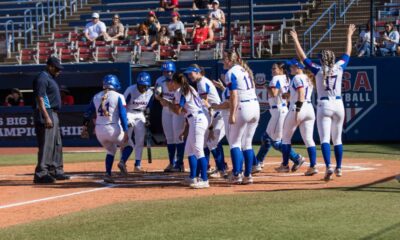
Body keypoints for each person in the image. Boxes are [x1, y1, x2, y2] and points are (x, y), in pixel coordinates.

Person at [290, 24, 356, 181]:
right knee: (338, 139)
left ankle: (328, 168)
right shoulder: (339, 67)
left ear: (322, 59)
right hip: (339, 104)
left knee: (325, 139)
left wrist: (296, 40)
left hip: (324, 105)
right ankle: (339, 168)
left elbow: (303, 58)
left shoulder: (318, 70)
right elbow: (347, 53)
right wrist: (348, 35)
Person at [159, 73, 210, 189]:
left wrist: (166, 103)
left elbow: (178, 111)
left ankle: (205, 179)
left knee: (197, 150)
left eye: (171, 82)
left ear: (175, 82)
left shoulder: (180, 91)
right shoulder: (188, 88)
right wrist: (185, 129)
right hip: (196, 119)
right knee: (189, 149)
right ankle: (193, 177)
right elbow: (186, 110)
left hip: (197, 120)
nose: (169, 84)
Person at [255, 62, 305, 173]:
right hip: (281, 110)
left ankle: (296, 158)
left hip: (278, 111)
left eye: (275, 69)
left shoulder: (276, 78)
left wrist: (266, 86)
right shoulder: (286, 79)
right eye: (272, 69)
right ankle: (258, 162)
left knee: (276, 142)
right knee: (266, 138)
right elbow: (286, 94)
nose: (272, 71)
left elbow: (273, 93)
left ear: (281, 70)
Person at [82, 74, 129, 183]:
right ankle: (122, 162)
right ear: (115, 84)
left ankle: (108, 173)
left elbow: (87, 113)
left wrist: (84, 126)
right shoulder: (119, 96)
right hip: (113, 128)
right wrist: (126, 130)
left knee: (111, 150)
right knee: (130, 145)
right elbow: (123, 115)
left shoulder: (96, 96)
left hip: (99, 130)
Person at [223, 49, 260, 184]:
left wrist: (232, 114)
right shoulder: (245, 71)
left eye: (224, 58)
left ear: (229, 60)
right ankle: (248, 175)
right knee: (247, 143)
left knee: (235, 143)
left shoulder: (230, 72)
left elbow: (234, 95)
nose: (223, 61)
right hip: (255, 106)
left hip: (243, 107)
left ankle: (237, 174)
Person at [274, 59, 317, 176]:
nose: (290, 69)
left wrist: (298, 109)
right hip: (309, 109)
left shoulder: (297, 78)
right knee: (309, 139)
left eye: (292, 67)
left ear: (298, 67)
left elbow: (301, 94)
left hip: (298, 107)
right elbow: (299, 93)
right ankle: (313, 166)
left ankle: (284, 165)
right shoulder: (308, 78)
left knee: (285, 138)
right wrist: (288, 95)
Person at [184, 64, 227, 178]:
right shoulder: (200, 82)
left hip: (217, 116)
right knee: (204, 143)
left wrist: (211, 126)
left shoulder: (202, 83)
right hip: (213, 115)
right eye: (188, 74)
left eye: (191, 73)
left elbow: (206, 105)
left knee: (212, 143)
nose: (189, 76)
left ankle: (222, 169)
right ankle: (207, 167)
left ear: (198, 72)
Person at [32, 57, 69, 184]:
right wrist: (46, 116)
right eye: (57, 68)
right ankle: (41, 173)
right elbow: (40, 98)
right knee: (47, 144)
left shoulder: (50, 78)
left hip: (53, 113)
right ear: (50, 66)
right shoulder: (42, 78)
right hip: (46, 113)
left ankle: (56, 170)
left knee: (56, 144)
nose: (59, 71)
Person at [119, 72, 154, 173]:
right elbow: (123, 105)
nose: (142, 87)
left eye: (145, 85)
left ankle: (137, 165)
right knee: (126, 140)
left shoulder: (150, 92)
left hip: (140, 114)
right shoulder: (131, 89)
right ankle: (123, 163)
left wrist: (147, 118)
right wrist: (125, 119)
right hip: (129, 113)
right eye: (141, 85)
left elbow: (148, 107)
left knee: (140, 141)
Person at [154, 61, 186, 172]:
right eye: (165, 71)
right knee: (169, 137)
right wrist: (158, 97)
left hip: (177, 110)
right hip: (166, 109)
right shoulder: (160, 80)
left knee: (178, 136)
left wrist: (166, 101)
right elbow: (157, 95)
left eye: (170, 71)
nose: (167, 73)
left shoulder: (178, 82)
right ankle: (172, 163)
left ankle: (180, 163)